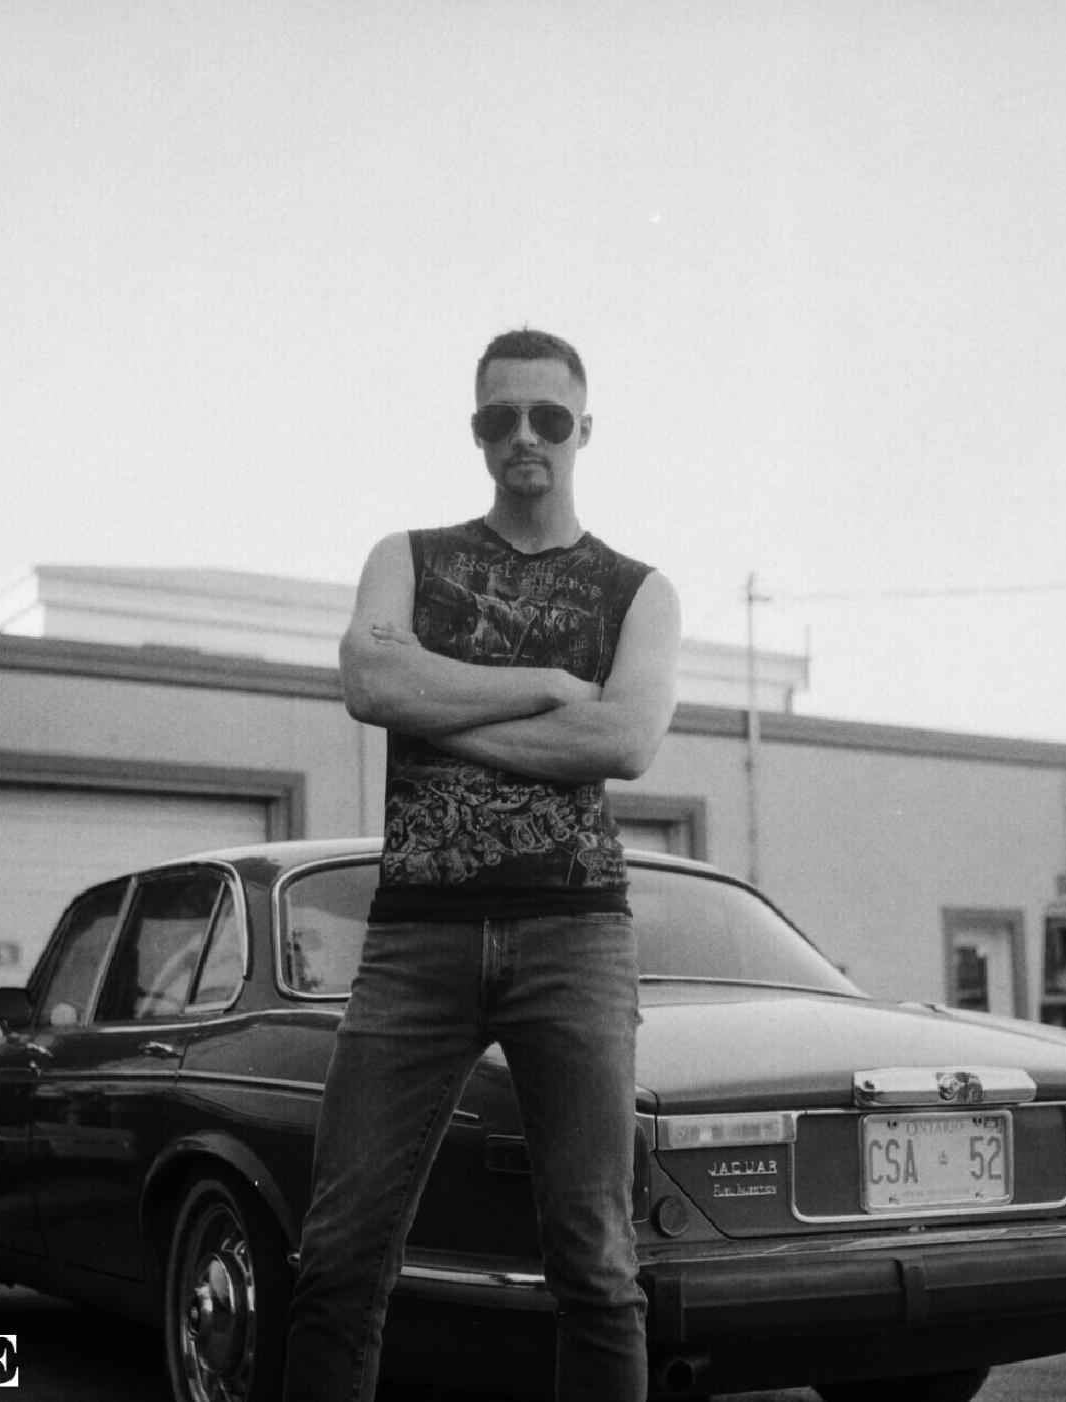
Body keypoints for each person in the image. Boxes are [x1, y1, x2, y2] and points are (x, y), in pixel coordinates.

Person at [282, 328, 681, 1402]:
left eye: (547, 418)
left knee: (595, 1263)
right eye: (499, 417)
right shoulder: (406, 557)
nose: (524, 438)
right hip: (416, 937)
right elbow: (369, 684)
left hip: (576, 935)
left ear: (581, 430)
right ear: (475, 430)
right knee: (338, 1254)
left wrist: (437, 710)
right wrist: (547, 681)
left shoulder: (637, 591)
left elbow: (622, 743)